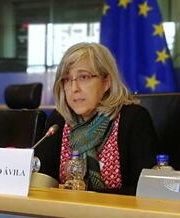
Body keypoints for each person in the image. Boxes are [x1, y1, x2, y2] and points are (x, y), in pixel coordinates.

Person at [35, 42, 157, 195]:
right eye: (66, 79)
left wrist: (89, 198)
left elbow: (145, 191)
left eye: (83, 77)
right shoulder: (59, 120)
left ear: (106, 82)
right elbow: (41, 183)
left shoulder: (132, 119)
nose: (74, 89)